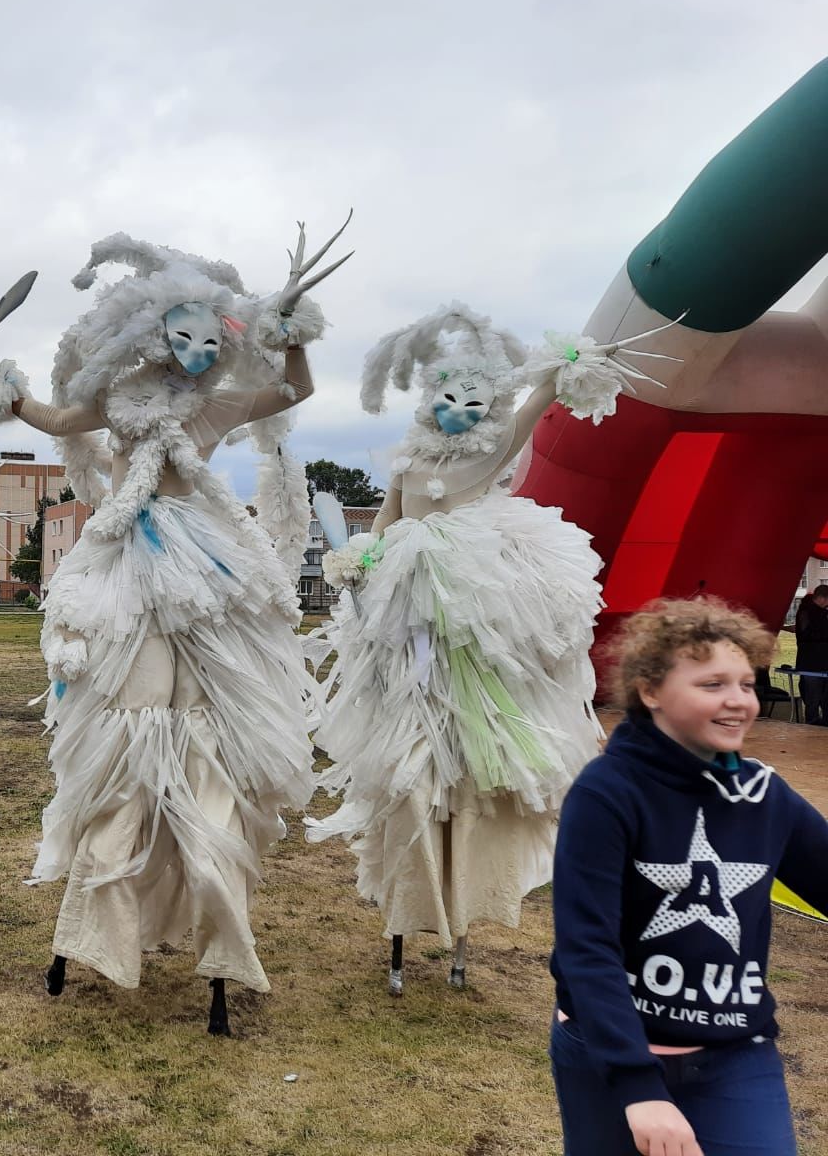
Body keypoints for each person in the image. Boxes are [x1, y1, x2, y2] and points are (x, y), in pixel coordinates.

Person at [0, 224, 348, 1034]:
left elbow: (295, 393)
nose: (199, 352)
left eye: (213, 340)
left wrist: (295, 333)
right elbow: (63, 419)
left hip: (208, 565)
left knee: (212, 731)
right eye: (184, 337)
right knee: (133, 731)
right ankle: (107, 904)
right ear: (153, 332)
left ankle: (210, 892)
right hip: (130, 558)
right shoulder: (124, 393)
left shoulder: (220, 401)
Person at [307, 303, 645, 993]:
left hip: (471, 599)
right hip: (407, 606)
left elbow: (534, 406)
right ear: (430, 403)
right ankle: (407, 913)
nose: (460, 411)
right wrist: (361, 560)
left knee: (470, 754)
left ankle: (464, 915)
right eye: (449, 400)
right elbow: (390, 522)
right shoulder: (405, 460)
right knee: (409, 750)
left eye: (473, 403)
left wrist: (560, 368)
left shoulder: (493, 449)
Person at [550, 596, 828, 1156]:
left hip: (736, 1055)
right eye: (712, 685)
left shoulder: (764, 793)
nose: (738, 702)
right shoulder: (606, 793)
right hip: (610, 1054)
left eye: (746, 685)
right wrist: (638, 1087)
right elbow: (586, 949)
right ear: (651, 692)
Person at [791, 583, 828, 724]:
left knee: (823, 699)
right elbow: (809, 636)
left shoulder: (814, 613)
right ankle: (812, 727)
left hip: (818, 664)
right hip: (812, 665)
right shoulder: (807, 613)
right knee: (812, 700)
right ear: (823, 599)